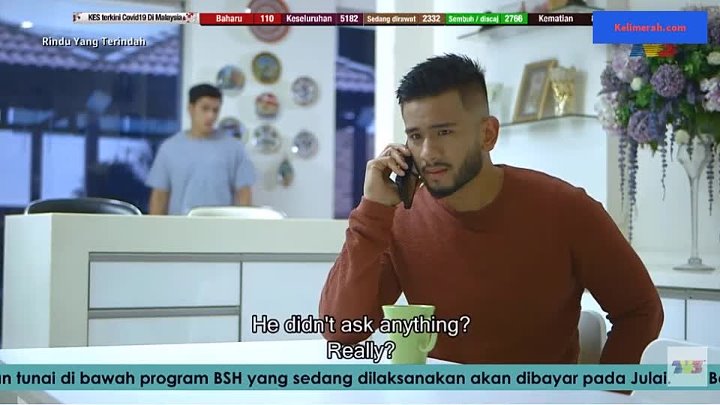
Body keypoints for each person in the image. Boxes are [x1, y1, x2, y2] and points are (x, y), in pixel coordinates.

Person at [318, 54, 663, 365]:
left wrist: (605, 395)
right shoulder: (400, 218)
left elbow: (639, 310)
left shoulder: (566, 209)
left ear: (487, 134)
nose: (427, 153)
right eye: (416, 136)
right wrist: (372, 211)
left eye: (444, 132)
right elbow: (342, 331)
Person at [145, 84, 256, 215]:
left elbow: (244, 195)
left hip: (220, 225)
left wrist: (244, 225)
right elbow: (159, 196)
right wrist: (153, 227)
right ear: (191, 109)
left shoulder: (234, 148)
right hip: (181, 224)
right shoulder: (169, 148)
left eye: (215, 110)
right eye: (205, 109)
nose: (211, 116)